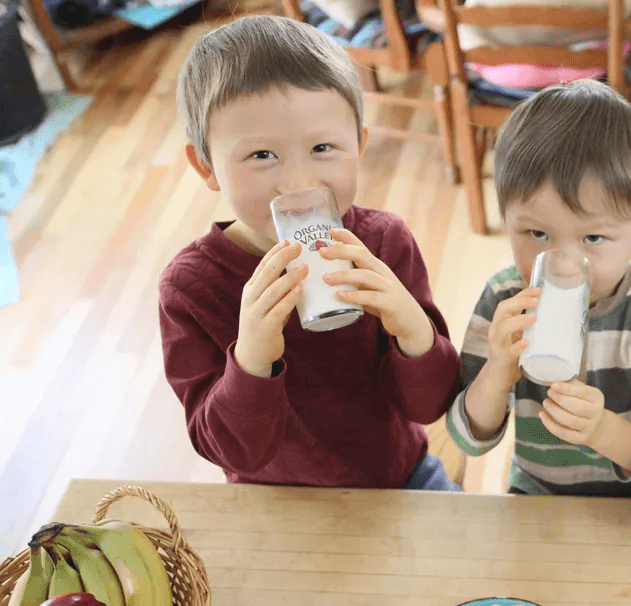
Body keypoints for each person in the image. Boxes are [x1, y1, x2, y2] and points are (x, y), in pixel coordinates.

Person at [160, 16, 460, 488]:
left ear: (359, 146)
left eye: (323, 148)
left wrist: (412, 330)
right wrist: (253, 360)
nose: (299, 184)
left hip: (400, 478)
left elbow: (429, 405)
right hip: (273, 501)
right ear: (206, 165)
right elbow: (231, 450)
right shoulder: (190, 289)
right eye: (261, 156)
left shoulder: (383, 244)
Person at [446, 79, 631, 497]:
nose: (562, 263)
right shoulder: (505, 300)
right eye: (536, 234)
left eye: (593, 239)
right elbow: (469, 437)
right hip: (540, 491)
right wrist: (497, 371)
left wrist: (604, 431)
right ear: (505, 217)